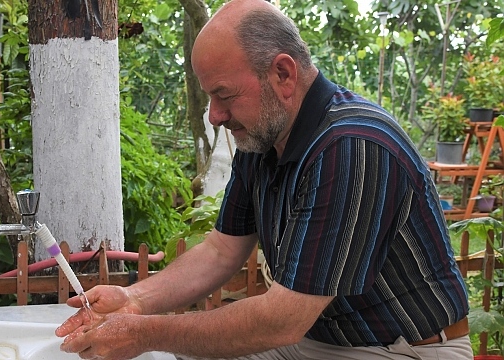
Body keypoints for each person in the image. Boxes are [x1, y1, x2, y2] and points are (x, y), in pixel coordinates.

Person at [55, 0, 471, 359]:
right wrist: (134, 300)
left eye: (224, 94)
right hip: (315, 342)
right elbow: (221, 251)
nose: (215, 115)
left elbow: (280, 320)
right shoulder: (263, 138)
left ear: (283, 76)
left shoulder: (352, 146)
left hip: (404, 349)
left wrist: (143, 332)